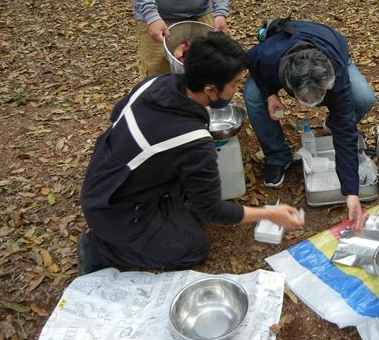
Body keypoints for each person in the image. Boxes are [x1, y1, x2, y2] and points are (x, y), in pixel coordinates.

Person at [78, 33, 304, 275]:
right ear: (210, 89)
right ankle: (100, 250)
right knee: (193, 247)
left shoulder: (153, 83)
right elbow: (213, 211)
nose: (237, 89)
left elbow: (117, 115)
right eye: (234, 84)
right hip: (115, 208)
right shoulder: (193, 141)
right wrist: (270, 213)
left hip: (102, 177)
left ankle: (160, 213)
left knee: (185, 199)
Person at [244, 19, 376, 229]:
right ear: (288, 85)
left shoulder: (337, 73)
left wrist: (351, 192)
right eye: (306, 99)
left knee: (363, 98)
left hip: (329, 48)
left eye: (322, 95)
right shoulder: (267, 56)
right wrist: (269, 94)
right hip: (282, 52)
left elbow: (346, 134)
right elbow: (250, 60)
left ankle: (329, 125)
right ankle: (277, 156)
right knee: (252, 95)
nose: (315, 102)